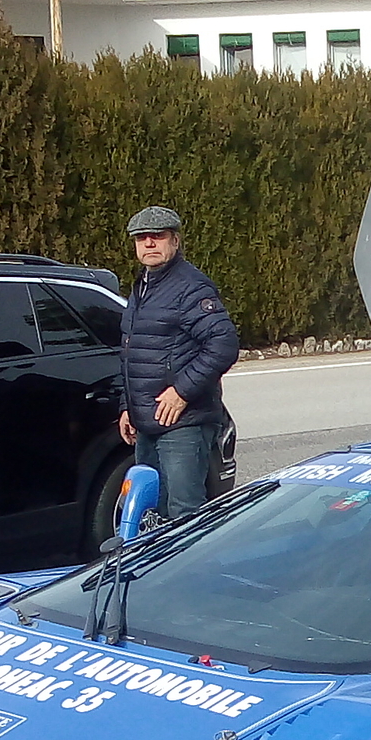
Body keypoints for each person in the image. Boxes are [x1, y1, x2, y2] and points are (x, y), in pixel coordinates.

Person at [116, 206, 239, 523]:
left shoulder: (190, 286)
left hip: (184, 424)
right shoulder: (144, 285)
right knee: (153, 512)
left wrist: (181, 393)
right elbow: (134, 351)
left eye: (158, 237)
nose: (149, 244)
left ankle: (198, 573)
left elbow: (223, 344)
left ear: (175, 240)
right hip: (147, 424)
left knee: (186, 517)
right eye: (142, 238)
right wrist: (127, 406)